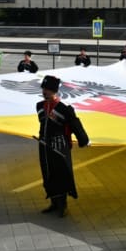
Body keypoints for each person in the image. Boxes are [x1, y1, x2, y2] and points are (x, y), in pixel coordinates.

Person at [36, 75, 90, 217]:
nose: (44, 91)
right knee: (48, 174)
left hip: (59, 148)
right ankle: (54, 203)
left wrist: (83, 140)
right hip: (44, 147)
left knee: (61, 174)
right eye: (44, 88)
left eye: (47, 89)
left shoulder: (64, 109)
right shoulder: (40, 106)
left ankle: (63, 205)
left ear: (54, 91)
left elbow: (75, 124)